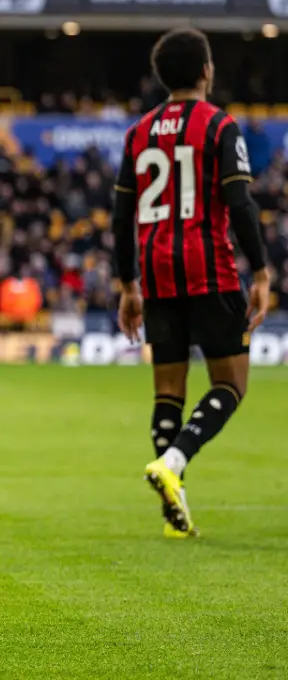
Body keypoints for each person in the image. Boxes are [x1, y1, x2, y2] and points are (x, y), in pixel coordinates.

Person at [111, 28, 270, 538]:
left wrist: (127, 285)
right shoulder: (219, 126)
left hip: (156, 274)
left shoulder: (138, 132)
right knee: (229, 384)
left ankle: (173, 511)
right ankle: (174, 463)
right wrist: (262, 271)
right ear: (207, 71)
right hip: (209, 270)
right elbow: (240, 204)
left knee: (168, 392)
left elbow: (120, 216)